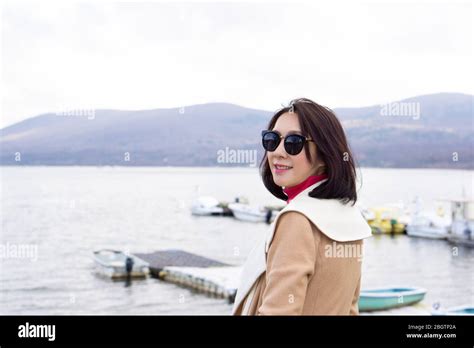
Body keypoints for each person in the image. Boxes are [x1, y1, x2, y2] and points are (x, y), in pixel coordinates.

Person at [232, 98, 372, 315]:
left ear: (325, 153)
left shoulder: (297, 219)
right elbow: (351, 308)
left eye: (294, 142)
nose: (277, 152)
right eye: (271, 140)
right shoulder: (348, 215)